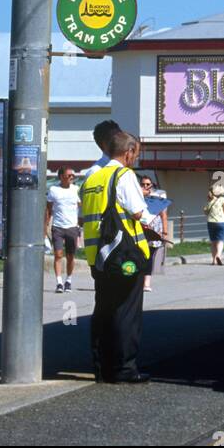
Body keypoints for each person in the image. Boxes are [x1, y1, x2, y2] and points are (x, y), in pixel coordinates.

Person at [81, 128, 151, 384]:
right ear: (128, 152)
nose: (135, 159)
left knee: (104, 310)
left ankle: (102, 367)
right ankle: (124, 368)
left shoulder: (91, 179)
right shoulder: (123, 175)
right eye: (136, 154)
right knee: (126, 312)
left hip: (96, 257)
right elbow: (138, 212)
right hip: (124, 257)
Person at [45, 167, 81, 293]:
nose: (72, 177)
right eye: (69, 175)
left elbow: (82, 207)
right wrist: (45, 227)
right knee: (58, 254)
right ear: (61, 176)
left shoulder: (76, 190)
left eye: (73, 175)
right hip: (58, 227)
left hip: (72, 227)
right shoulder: (54, 190)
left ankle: (69, 280)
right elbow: (48, 210)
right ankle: (59, 282)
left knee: (70, 256)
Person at [139, 175, 169, 293]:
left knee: (149, 257)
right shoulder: (136, 197)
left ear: (152, 185)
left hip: (154, 230)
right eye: (143, 184)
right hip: (140, 229)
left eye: (148, 184)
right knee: (140, 256)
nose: (145, 186)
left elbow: (163, 215)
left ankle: (146, 282)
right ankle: (138, 280)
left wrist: (165, 232)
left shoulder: (158, 199)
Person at [205, 183, 224, 265]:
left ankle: (214, 260)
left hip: (211, 222)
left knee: (213, 242)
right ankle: (218, 255)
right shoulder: (223, 200)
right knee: (220, 241)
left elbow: (205, 212)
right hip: (221, 222)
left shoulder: (210, 200)